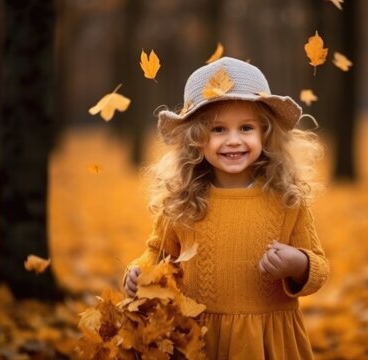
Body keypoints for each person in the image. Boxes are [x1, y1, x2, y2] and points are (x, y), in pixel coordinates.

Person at [124, 57, 329, 359]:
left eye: (246, 128)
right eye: (218, 130)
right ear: (196, 139)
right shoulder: (182, 203)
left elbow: (320, 267)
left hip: (266, 339)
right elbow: (157, 252)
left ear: (265, 134)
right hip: (196, 338)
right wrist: (137, 271)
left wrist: (298, 264)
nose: (233, 140)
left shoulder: (286, 200)